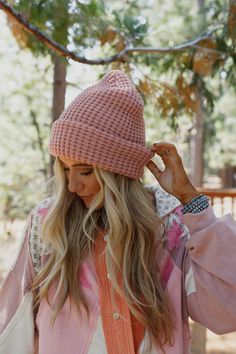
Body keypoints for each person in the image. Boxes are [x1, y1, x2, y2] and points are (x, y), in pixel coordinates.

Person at [0, 70, 236, 354]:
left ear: (117, 173)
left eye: (85, 171)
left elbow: (226, 311)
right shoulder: (48, 223)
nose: (72, 185)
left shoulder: (168, 226)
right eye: (65, 168)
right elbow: (13, 320)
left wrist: (191, 201)